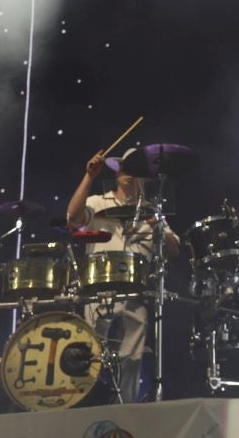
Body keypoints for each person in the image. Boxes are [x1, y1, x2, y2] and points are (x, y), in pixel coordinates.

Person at [67, 148, 180, 403]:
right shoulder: (98, 202)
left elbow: (174, 251)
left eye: (136, 171)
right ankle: (85, 404)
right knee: (90, 355)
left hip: (135, 294)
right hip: (99, 289)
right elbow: (72, 217)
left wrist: (158, 223)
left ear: (144, 177)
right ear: (117, 173)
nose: (129, 175)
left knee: (133, 358)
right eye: (125, 169)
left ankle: (125, 410)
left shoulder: (151, 210)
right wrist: (89, 176)